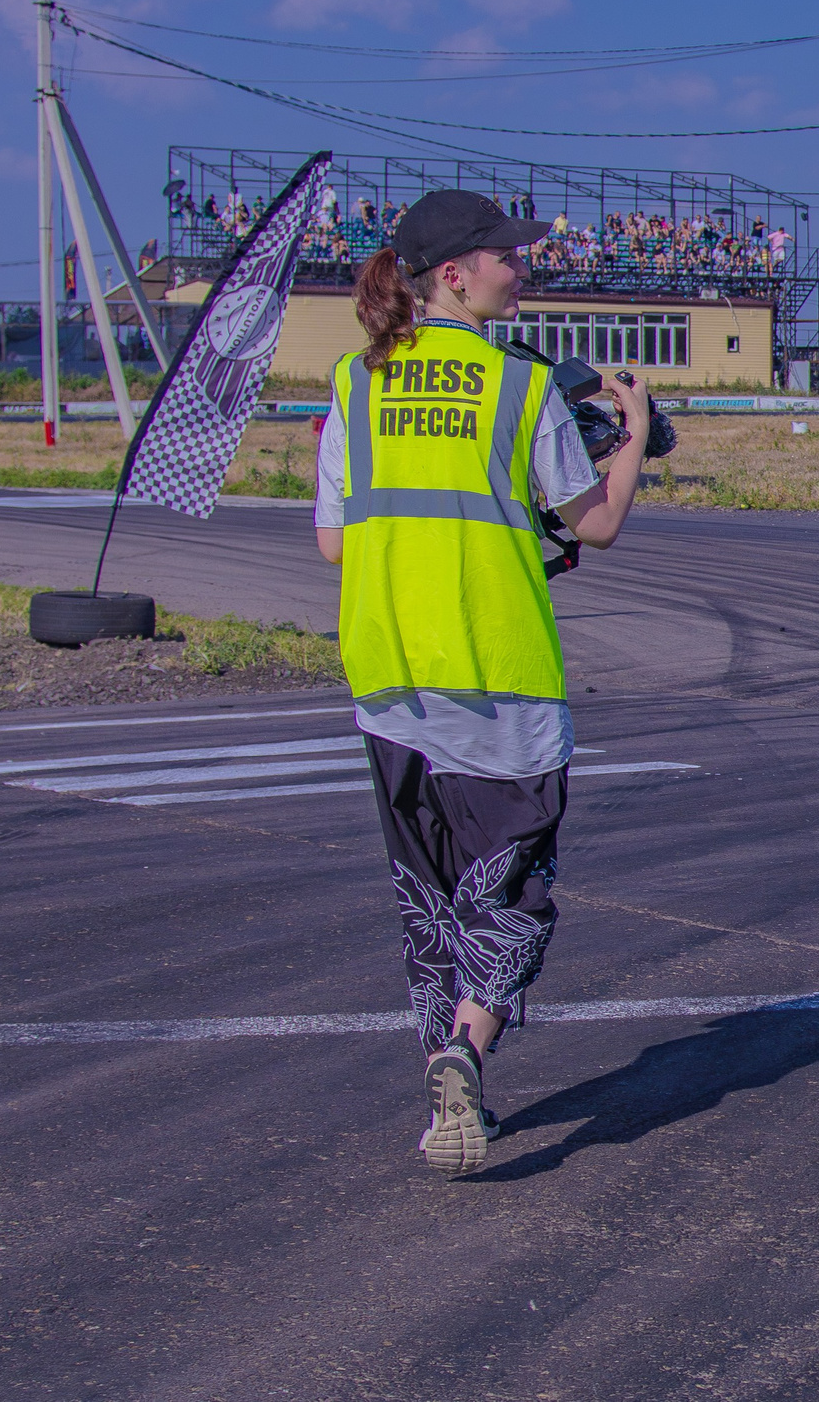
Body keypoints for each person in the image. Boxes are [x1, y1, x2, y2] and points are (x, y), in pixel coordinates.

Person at [312, 187, 653, 1176]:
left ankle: (446, 1099)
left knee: (425, 897)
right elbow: (593, 524)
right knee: (512, 894)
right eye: (509, 252)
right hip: (497, 676)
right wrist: (630, 436)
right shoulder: (517, 386)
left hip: (388, 673)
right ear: (453, 275)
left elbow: (336, 542)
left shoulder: (352, 381)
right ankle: (468, 1045)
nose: (523, 263)